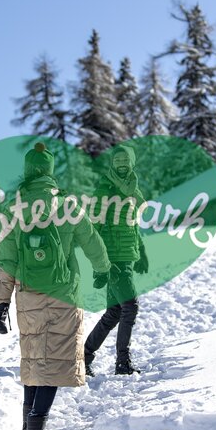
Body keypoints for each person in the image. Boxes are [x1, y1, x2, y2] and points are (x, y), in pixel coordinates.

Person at [0, 142, 112, 430]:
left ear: (28, 172)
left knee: (33, 356)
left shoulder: (14, 209)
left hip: (27, 294)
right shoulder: (67, 205)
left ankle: (26, 422)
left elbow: (7, 261)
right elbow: (92, 240)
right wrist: (102, 269)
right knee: (55, 360)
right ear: (49, 171)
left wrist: (0, 303)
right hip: (63, 293)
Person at [84, 145, 149, 376]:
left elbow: (133, 224)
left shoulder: (134, 191)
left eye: (125, 159)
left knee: (114, 312)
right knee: (130, 307)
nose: (121, 163)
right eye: (117, 159)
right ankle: (122, 362)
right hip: (113, 259)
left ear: (131, 163)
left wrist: (142, 252)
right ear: (112, 164)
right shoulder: (104, 190)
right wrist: (99, 267)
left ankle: (84, 357)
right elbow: (94, 230)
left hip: (127, 256)